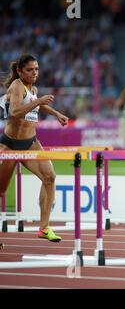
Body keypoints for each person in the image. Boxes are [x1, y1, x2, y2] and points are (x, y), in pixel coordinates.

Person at [0, 53, 69, 242]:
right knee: (1, 191)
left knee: (50, 177)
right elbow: (14, 113)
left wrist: (56, 113)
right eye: (30, 70)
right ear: (19, 71)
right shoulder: (16, 86)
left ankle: (44, 228)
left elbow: (37, 106)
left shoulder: (33, 88)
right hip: (10, 145)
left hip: (30, 143)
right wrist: (39, 101)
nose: (34, 73)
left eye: (36, 69)